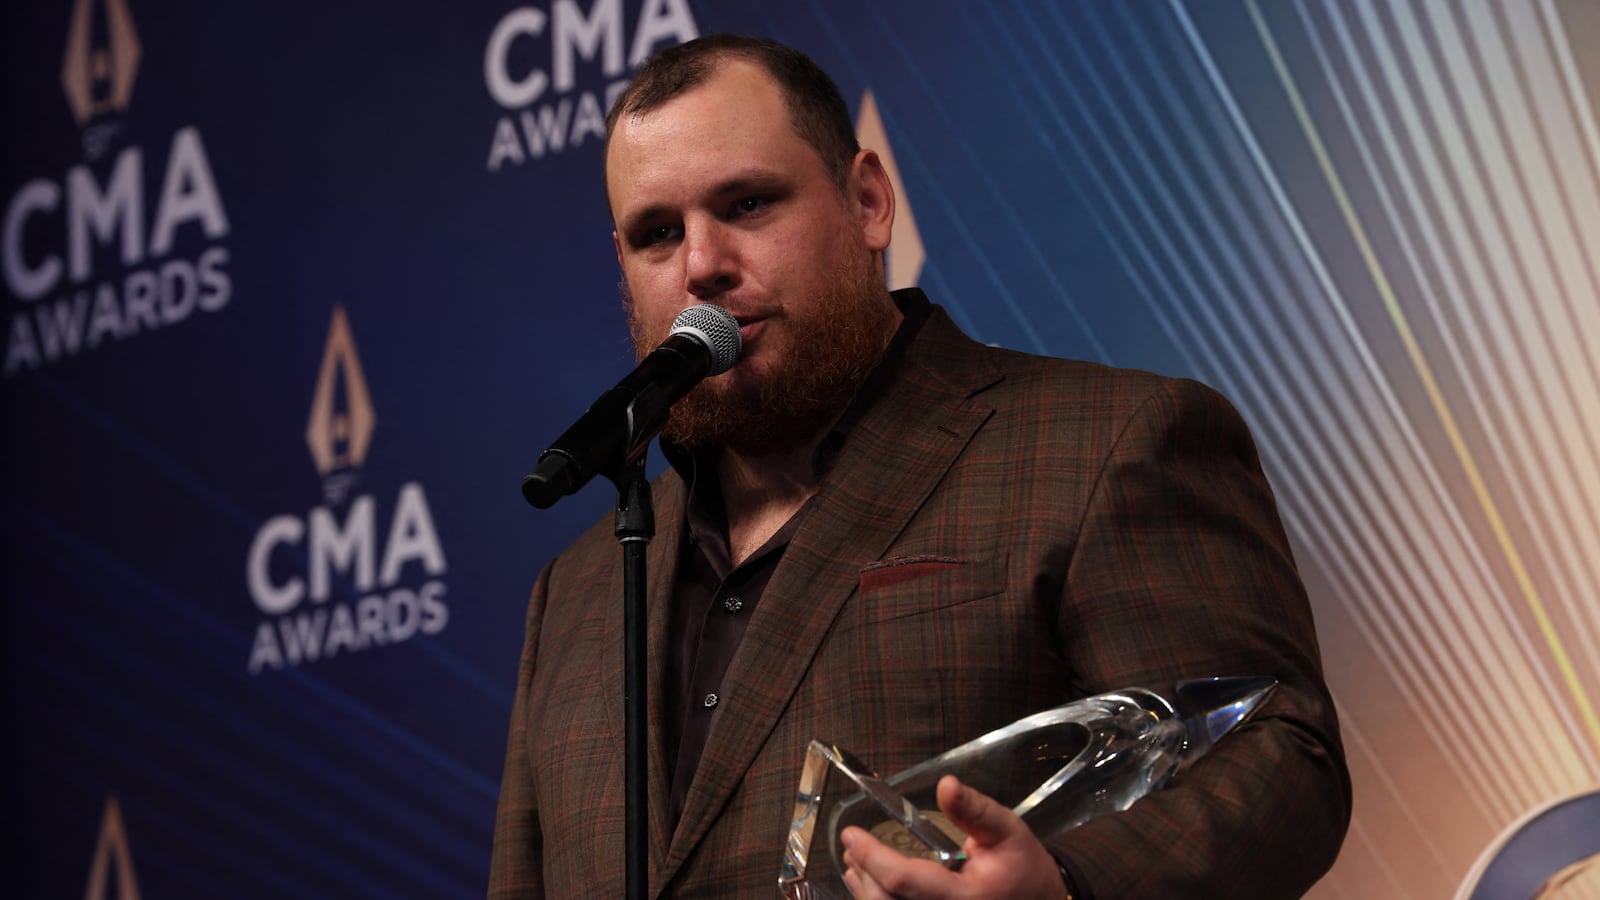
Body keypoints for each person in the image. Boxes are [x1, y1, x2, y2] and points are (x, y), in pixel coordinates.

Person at [489, 34, 1350, 899]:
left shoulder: (1111, 442)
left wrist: (1066, 887)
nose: (701, 264)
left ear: (868, 201)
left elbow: (1280, 757)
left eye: (747, 204)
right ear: (623, 265)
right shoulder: (576, 594)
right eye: (659, 234)